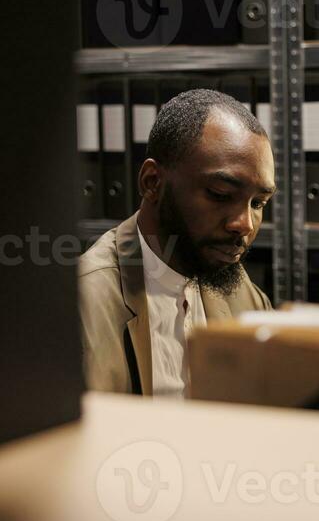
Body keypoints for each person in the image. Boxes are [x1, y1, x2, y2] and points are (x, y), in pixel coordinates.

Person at [78, 89, 275, 397]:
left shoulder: (244, 296)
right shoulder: (81, 302)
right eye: (221, 195)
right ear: (152, 182)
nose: (244, 225)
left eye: (258, 203)